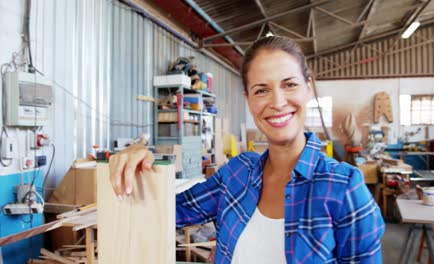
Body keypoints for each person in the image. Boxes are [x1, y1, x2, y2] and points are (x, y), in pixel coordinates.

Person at [109, 36, 385, 263]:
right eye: (261, 90)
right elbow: (164, 210)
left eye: (289, 85)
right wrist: (142, 158)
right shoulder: (238, 173)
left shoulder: (344, 187)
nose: (277, 102)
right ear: (248, 99)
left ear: (308, 89)